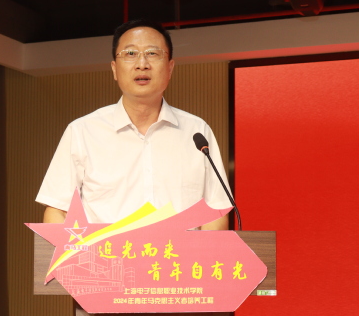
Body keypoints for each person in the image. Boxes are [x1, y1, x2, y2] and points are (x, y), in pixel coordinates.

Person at [36, 19, 231, 230]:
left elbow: (215, 211)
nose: (142, 64)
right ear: (114, 69)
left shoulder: (196, 132)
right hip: (106, 251)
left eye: (152, 53)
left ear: (170, 68)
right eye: (130, 54)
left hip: (179, 252)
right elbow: (58, 210)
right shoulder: (82, 132)